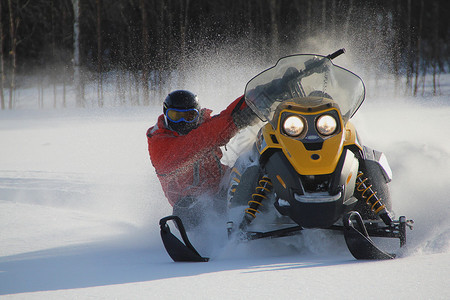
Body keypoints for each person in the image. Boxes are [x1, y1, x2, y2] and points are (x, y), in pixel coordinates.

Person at [147, 90, 255, 229]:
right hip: (192, 203)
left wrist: (261, 93)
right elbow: (197, 142)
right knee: (187, 209)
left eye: (189, 116)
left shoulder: (202, 126)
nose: (182, 122)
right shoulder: (159, 142)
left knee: (251, 164)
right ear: (166, 114)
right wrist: (235, 123)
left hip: (224, 187)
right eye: (175, 116)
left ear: (197, 116)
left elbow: (227, 115)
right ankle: (208, 242)